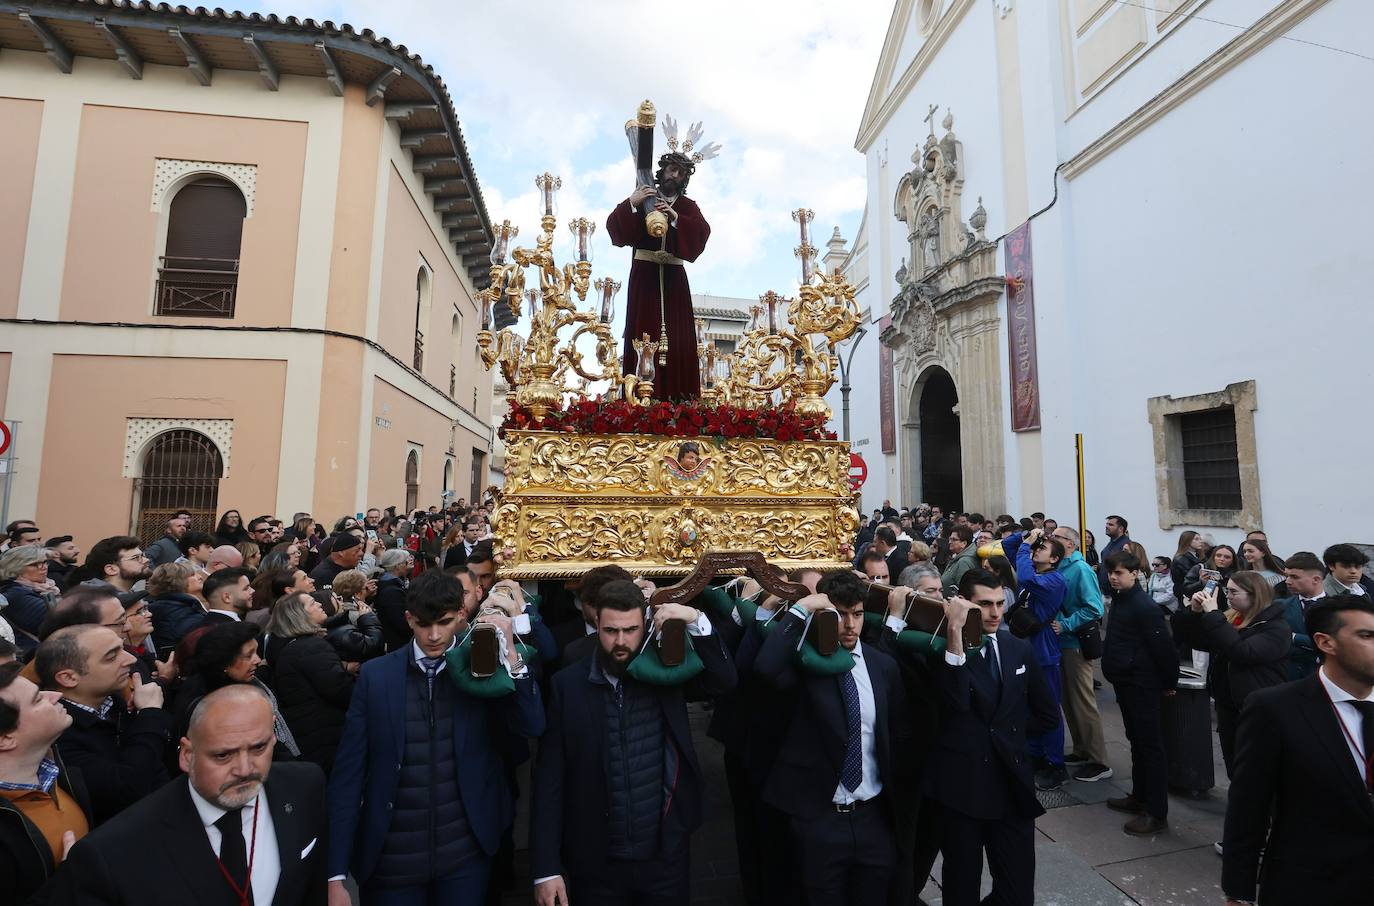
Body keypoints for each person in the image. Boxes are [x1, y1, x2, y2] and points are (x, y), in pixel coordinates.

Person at [327, 569, 545, 905]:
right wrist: (336, 872)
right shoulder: (377, 676)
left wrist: (512, 658)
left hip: (465, 856)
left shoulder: (483, 666)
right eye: (422, 624)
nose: (433, 635)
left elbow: (532, 726)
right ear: (408, 619)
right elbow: (349, 773)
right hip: (390, 860)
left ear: (461, 615)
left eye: (443, 622)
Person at [531, 578, 736, 906]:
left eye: (631, 630)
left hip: (664, 858)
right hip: (595, 861)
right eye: (611, 631)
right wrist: (545, 868)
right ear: (596, 623)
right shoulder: (566, 687)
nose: (621, 641)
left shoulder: (667, 674)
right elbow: (550, 779)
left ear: (646, 625)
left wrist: (696, 620)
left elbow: (723, 680)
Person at [48, 684, 329, 905]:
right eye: (223, 755)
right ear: (187, 755)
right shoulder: (113, 851)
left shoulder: (304, 785)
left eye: (258, 748)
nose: (245, 769)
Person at [750, 570, 907, 906]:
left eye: (858, 614)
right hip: (819, 819)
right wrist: (802, 609)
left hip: (872, 818)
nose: (850, 625)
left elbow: (894, 734)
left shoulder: (883, 667)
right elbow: (764, 668)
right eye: (840, 615)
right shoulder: (805, 664)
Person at [1221, 594, 1374, 905]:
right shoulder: (1274, 708)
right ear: (1325, 643)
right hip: (1310, 885)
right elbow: (1248, 806)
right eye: (1366, 635)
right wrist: (1239, 890)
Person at [924, 568, 1058, 906]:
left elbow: (1047, 715)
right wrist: (954, 632)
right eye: (985, 605)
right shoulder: (942, 649)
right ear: (965, 604)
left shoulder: (1017, 648)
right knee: (961, 886)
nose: (996, 613)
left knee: (1017, 891)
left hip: (1012, 789)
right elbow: (954, 703)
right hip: (962, 792)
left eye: (1000, 603)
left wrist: (1008, 739)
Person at [36, 625, 171, 825]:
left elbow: (156, 770)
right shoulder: (56, 735)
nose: (131, 659)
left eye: (122, 648)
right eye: (111, 657)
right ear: (69, 677)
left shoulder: (116, 705)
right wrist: (150, 714)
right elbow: (126, 789)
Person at [607, 145, 712, 400]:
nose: (674, 176)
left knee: (680, 341)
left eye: (681, 173)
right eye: (672, 169)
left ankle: (680, 403)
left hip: (674, 281)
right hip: (645, 280)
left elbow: (701, 236)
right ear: (662, 170)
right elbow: (617, 232)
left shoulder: (687, 206)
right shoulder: (645, 197)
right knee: (643, 333)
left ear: (685, 179)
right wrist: (631, 204)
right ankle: (639, 399)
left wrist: (675, 217)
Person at [1173, 571, 1289, 782]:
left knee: (1255, 771)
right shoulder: (1232, 618)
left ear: (1254, 594)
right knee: (1234, 766)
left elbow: (1242, 652)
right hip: (1228, 705)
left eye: (1234, 591)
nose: (1228, 596)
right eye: (1227, 590)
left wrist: (1214, 615)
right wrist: (1195, 612)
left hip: (1255, 708)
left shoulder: (1275, 627)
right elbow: (1198, 641)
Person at [0, 661, 92, 903]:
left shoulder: (55, 771)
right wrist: (65, 886)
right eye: (37, 699)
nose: (56, 695)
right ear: (6, 738)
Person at [1100, 551, 1177, 836]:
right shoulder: (1122, 600)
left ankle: (1156, 813)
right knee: (1136, 741)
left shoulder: (1144, 606)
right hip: (1126, 681)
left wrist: (1169, 682)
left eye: (1119, 573)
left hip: (1143, 684)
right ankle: (1139, 796)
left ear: (1135, 573)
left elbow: (1164, 649)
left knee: (1151, 746)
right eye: (1111, 573)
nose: (1113, 577)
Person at [171, 621, 301, 760]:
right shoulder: (212, 704)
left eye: (256, 652)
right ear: (224, 662)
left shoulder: (250, 682)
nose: (257, 660)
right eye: (248, 655)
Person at [264, 592, 355, 773]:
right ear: (299, 615)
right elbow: (340, 689)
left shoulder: (290, 647)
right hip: (328, 735)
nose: (320, 605)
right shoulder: (310, 646)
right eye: (313, 603)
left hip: (309, 736)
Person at [1050, 525, 1111, 782]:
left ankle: (1099, 761)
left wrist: (1065, 624)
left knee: (1083, 702)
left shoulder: (1080, 569)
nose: (1052, 540)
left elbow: (1094, 608)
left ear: (1071, 544)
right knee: (1068, 700)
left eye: (1057, 538)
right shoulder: (1061, 567)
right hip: (1062, 643)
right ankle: (1080, 749)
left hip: (1074, 643)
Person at [1275, 550, 1327, 679]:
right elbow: (1277, 641)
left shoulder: (1337, 608)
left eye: (1294, 577)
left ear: (1316, 579)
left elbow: (1331, 643)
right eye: (1286, 576)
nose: (1287, 581)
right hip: (1287, 677)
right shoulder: (1280, 606)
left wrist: (1294, 637)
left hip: (1323, 677)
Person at [0, 546, 60, 654]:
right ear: (15, 568)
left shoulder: (45, 587)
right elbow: (60, 619)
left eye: (45, 562)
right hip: (34, 656)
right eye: (34, 564)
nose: (43, 567)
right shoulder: (16, 594)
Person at [146, 561, 208, 657]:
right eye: (192, 575)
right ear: (177, 581)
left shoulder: (167, 606)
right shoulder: (183, 613)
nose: (200, 577)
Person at [373, 549, 414, 652]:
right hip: (398, 644)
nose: (407, 565)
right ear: (398, 566)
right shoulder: (392, 591)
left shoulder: (391, 584)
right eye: (405, 563)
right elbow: (401, 623)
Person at [1097, 515, 1130, 593]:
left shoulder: (1126, 545)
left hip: (1116, 592)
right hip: (1105, 590)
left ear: (1120, 528)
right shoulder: (1111, 543)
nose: (1106, 526)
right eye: (1107, 524)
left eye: (1111, 525)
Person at [940, 525, 979, 593]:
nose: (949, 542)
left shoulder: (964, 562)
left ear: (964, 543)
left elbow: (963, 590)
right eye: (950, 539)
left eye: (954, 540)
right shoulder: (959, 558)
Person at [1170, 530, 1204, 607]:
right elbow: (1190, 576)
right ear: (1187, 541)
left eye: (1200, 539)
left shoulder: (1198, 556)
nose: (1200, 541)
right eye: (1196, 539)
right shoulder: (1181, 559)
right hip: (1185, 593)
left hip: (1195, 590)